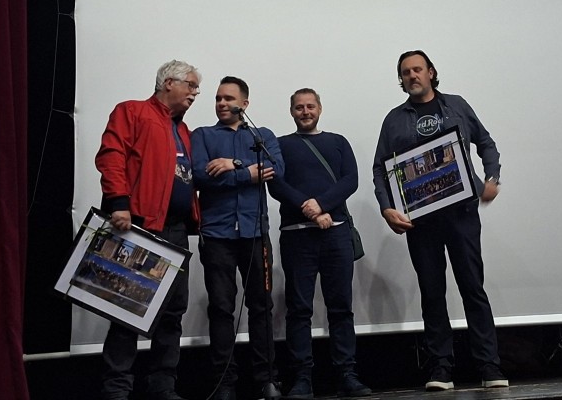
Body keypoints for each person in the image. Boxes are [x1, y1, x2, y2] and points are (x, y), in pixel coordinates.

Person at [372, 50, 509, 391]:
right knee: (432, 293)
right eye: (405, 72)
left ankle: (489, 366)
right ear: (401, 79)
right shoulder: (393, 120)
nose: (412, 76)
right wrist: (387, 208)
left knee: (472, 288)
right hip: (421, 221)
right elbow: (380, 169)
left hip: (462, 215)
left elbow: (486, 143)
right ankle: (441, 369)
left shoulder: (457, 105)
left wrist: (491, 178)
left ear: (431, 72)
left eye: (417, 69)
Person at [95, 59, 202, 400]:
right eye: (191, 85)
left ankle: (163, 387)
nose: (195, 93)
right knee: (126, 307)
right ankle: (117, 390)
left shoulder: (183, 130)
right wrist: (118, 202)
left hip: (176, 230)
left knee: (172, 312)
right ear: (169, 83)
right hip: (140, 226)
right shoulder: (132, 111)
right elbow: (111, 155)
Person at [268, 89, 372, 400]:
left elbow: (350, 180)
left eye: (310, 106)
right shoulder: (280, 145)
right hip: (296, 235)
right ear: (291, 111)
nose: (305, 112)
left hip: (336, 234)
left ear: (320, 108)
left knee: (340, 308)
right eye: (299, 107)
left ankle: (347, 375)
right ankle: (302, 379)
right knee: (299, 310)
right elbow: (276, 184)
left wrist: (322, 205)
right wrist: (309, 208)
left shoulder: (338, 142)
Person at [191, 76, 283, 400]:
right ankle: (224, 383)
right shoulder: (202, 135)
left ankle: (267, 380)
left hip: (255, 233)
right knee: (221, 308)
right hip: (217, 235)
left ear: (244, 104)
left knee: (261, 307)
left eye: (228, 98)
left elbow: (276, 169)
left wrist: (235, 164)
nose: (221, 103)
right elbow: (200, 176)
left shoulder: (261, 135)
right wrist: (247, 174)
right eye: (218, 98)